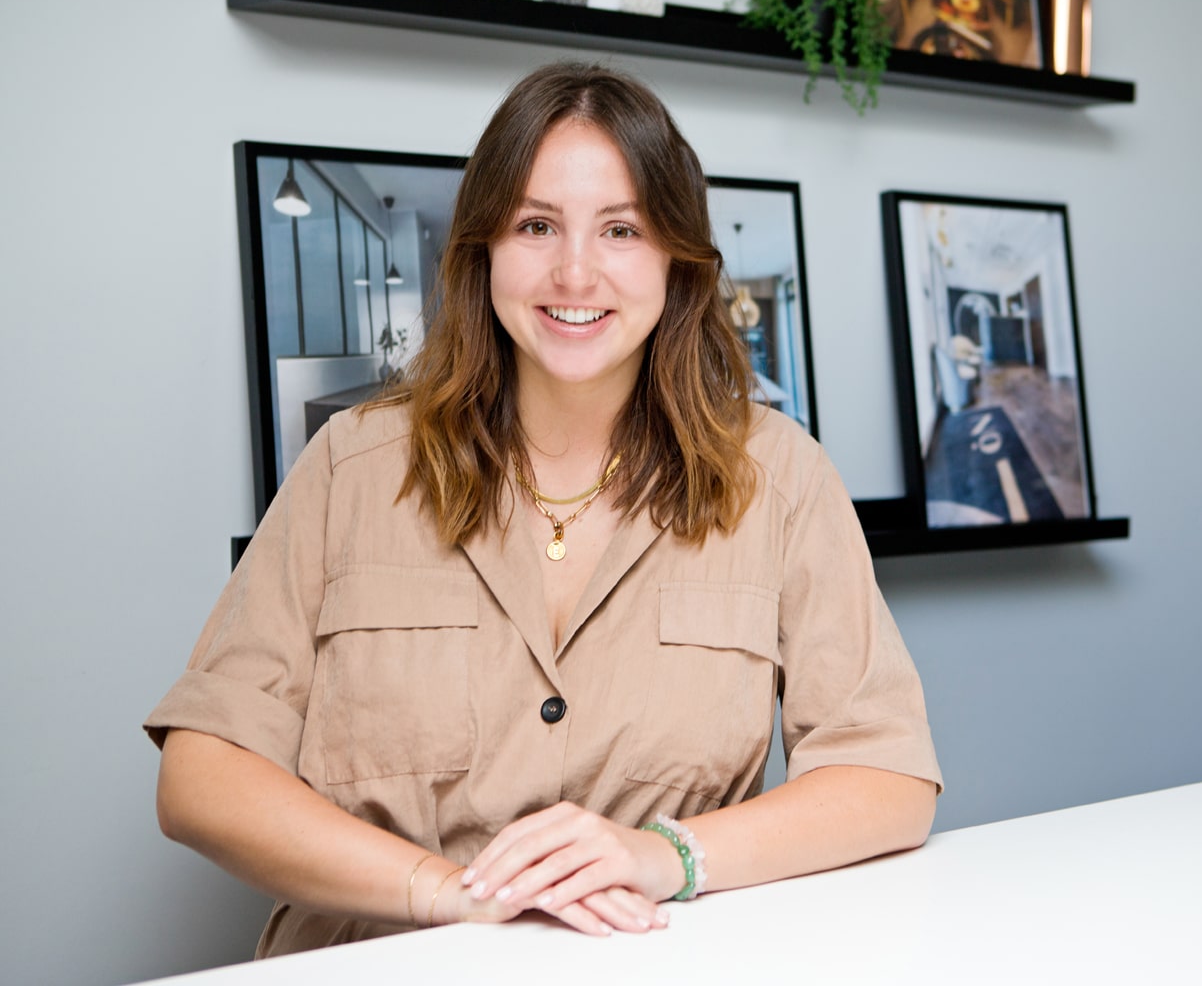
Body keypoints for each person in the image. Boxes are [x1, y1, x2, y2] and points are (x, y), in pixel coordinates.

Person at [146, 61, 942, 957]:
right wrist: (447, 893)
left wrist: (665, 855)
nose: (574, 271)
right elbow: (201, 775)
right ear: (482, 247)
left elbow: (887, 775)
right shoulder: (352, 467)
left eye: (621, 230)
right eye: (535, 225)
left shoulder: (780, 477)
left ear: (676, 260)